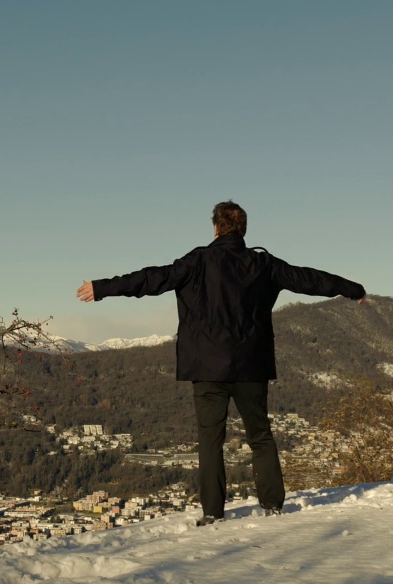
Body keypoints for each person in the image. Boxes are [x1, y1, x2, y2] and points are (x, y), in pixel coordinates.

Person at [76, 200, 366, 526]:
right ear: (243, 230)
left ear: (215, 228)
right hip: (250, 367)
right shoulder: (263, 264)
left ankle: (213, 513)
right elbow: (309, 279)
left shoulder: (197, 261)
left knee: (210, 440)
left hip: (206, 368)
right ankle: (272, 506)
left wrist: (102, 288)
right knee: (260, 436)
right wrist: (351, 289)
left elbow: (151, 279)